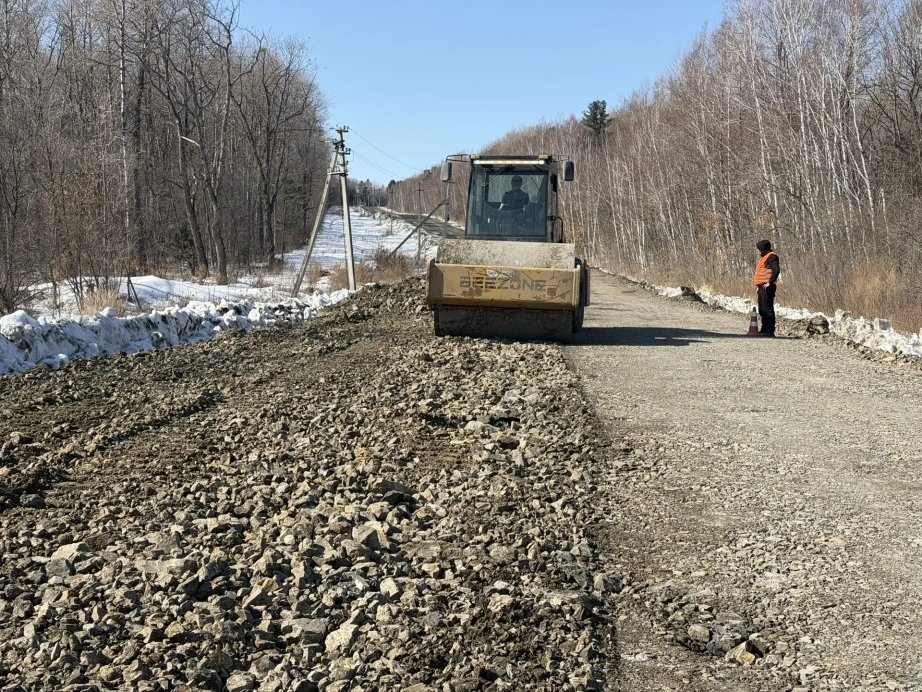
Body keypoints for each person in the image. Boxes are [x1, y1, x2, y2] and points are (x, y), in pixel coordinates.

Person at [753, 239, 781, 337]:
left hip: (767, 286)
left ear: (763, 248)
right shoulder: (764, 257)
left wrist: (770, 282)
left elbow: (776, 270)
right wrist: (758, 286)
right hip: (762, 286)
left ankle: (770, 330)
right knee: (762, 308)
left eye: (758, 248)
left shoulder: (772, 256)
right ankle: (764, 328)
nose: (757, 250)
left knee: (767, 308)